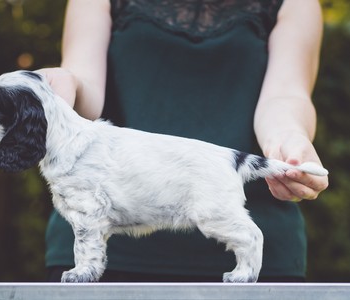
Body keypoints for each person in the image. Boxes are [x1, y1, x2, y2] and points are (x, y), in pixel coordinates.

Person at [37, 0, 329, 282]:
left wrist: (288, 139)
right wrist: (66, 86)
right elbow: (84, 85)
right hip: (102, 257)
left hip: (264, 262)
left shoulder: (294, 2)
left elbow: (285, 95)